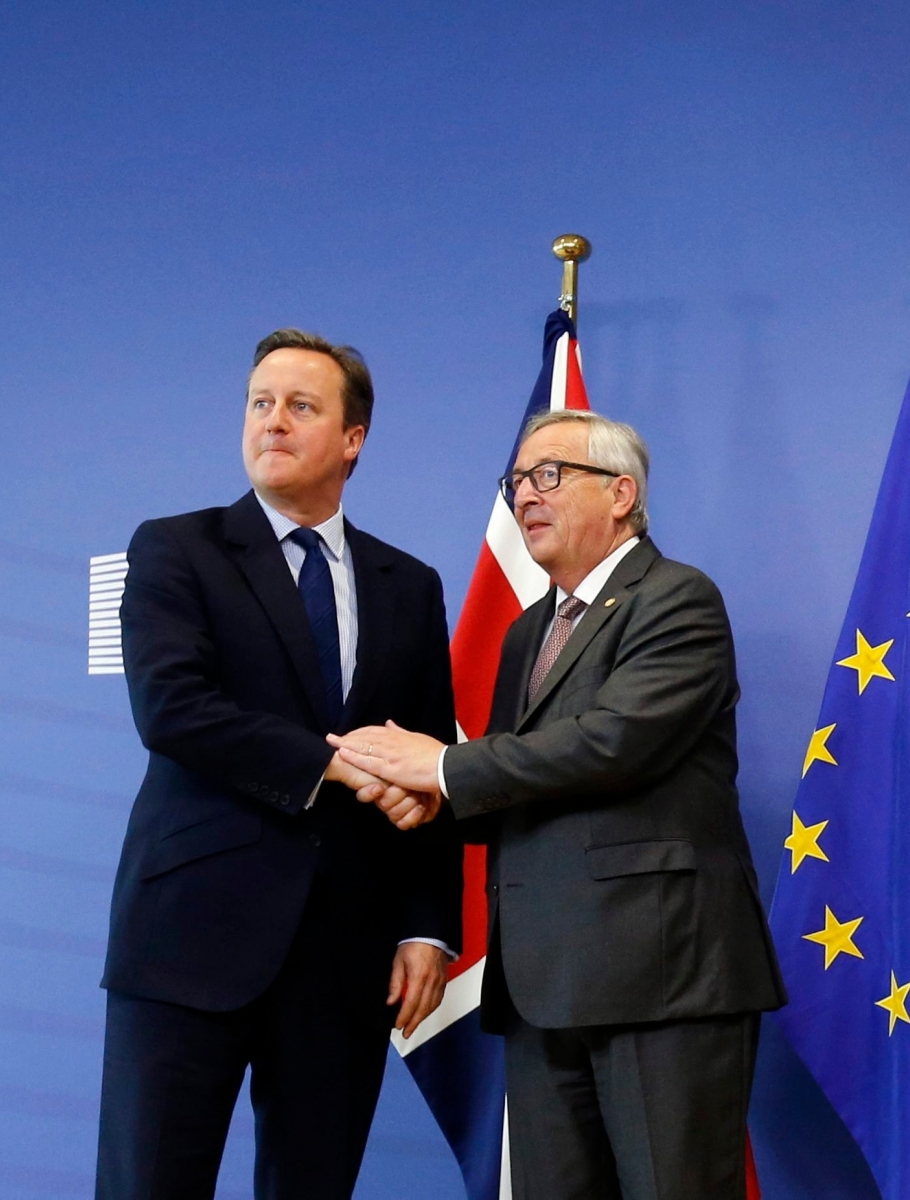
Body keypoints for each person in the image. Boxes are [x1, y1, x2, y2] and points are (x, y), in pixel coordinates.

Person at [331, 409, 786, 1200]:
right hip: (542, 983)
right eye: (515, 483)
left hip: (660, 979)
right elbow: (524, 780)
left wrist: (438, 769)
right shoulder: (528, 631)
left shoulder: (677, 600)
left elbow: (613, 744)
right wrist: (431, 802)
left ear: (621, 493)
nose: (526, 497)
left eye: (549, 475)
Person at [96, 329, 461, 1200]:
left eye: (301, 406)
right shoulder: (175, 548)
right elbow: (173, 711)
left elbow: (431, 764)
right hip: (188, 940)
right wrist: (338, 767)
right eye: (261, 403)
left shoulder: (409, 585)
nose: (274, 421)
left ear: (352, 438)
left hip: (344, 951)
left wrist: (424, 926)